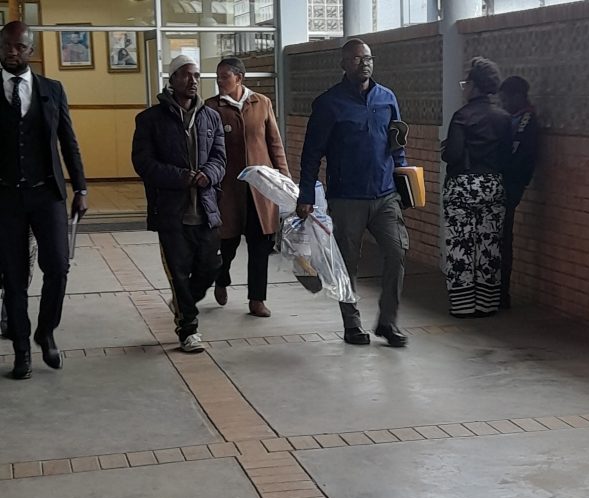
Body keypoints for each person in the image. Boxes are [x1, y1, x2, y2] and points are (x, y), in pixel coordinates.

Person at [296, 38, 409, 348]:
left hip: (385, 196)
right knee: (348, 263)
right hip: (347, 198)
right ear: (344, 64)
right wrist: (306, 195)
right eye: (357, 59)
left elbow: (397, 145)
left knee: (397, 252)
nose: (364, 63)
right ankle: (352, 324)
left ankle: (388, 322)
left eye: (368, 58)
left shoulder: (387, 98)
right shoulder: (328, 104)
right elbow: (311, 154)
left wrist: (403, 183)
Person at [0, 21, 88, 380]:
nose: (12, 52)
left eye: (19, 47)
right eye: (6, 45)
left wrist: (81, 188)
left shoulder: (52, 89)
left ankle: (46, 331)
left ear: (30, 51)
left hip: (47, 193)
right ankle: (21, 350)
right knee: (13, 277)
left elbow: (68, 141)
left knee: (58, 267)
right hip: (5, 197)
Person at [132, 54, 226, 353]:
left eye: (196, 75)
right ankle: (188, 328)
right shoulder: (150, 120)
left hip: (206, 209)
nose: (193, 80)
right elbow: (143, 163)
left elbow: (220, 158)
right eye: (186, 75)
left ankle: (184, 302)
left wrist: (209, 174)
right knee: (179, 272)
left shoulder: (211, 117)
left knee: (211, 266)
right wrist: (181, 177)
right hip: (171, 212)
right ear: (172, 80)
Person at [206, 57, 289, 318]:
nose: (220, 81)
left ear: (239, 78)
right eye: (218, 77)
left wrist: (284, 179)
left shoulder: (261, 103)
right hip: (228, 189)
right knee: (227, 243)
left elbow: (274, 143)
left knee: (260, 245)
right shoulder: (212, 107)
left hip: (260, 190)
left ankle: (257, 300)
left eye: (224, 77)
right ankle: (221, 278)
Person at [441, 57, 511, 318]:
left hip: (463, 187)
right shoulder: (504, 118)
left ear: (474, 85)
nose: (464, 88)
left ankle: (463, 305)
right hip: (493, 186)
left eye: (466, 84)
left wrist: (445, 150)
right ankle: (486, 303)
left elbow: (453, 154)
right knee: (489, 245)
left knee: (460, 244)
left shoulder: (462, 116)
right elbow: (506, 156)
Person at [498, 76, 538, 310]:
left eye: (506, 99)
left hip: (510, 186)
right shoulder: (513, 118)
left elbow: (519, 156)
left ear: (518, 96)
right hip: (505, 184)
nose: (504, 104)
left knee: (503, 240)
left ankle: (502, 293)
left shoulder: (526, 121)